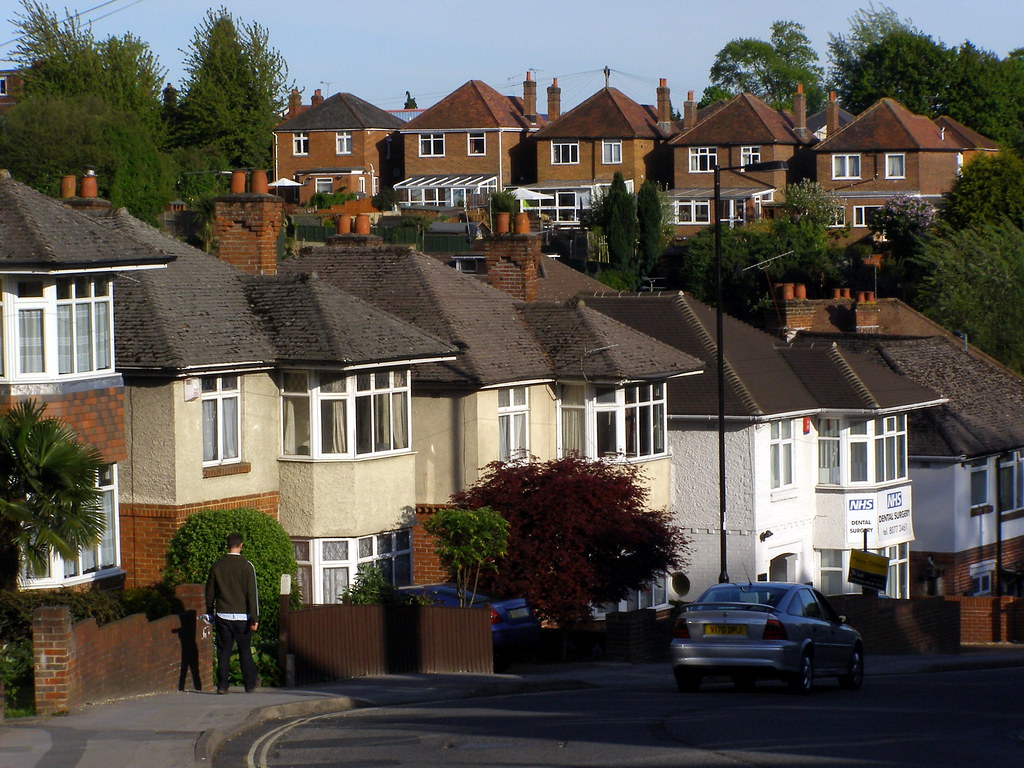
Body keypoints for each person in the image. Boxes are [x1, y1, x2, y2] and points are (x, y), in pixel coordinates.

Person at [205, 532, 259, 693]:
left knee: (224, 651)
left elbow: (209, 592)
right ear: (241, 545)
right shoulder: (247, 566)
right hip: (243, 616)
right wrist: (254, 618)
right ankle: (249, 684)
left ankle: (222, 686)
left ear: (227, 545)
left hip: (223, 615)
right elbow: (252, 594)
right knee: (244, 650)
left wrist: (209, 612)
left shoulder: (217, 565)